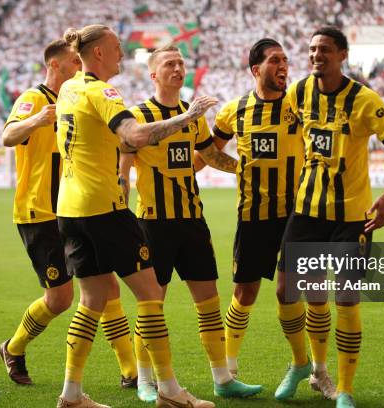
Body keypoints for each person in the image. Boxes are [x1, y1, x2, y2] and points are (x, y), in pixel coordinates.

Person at [55, 25, 218, 408]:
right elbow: (135, 135)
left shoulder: (69, 88)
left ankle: (72, 394)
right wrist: (187, 117)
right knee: (150, 296)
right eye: (116, 49)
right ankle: (169, 391)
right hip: (103, 209)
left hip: (69, 208)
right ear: (97, 54)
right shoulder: (102, 91)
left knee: (91, 298)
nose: (121, 55)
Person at [275, 26, 384, 408]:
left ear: (343, 55)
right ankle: (309, 368)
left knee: (346, 298)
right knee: (290, 292)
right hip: (306, 212)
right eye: (313, 48)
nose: (317, 55)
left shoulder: (365, 100)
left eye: (326, 50)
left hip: (352, 218)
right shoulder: (298, 92)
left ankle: (345, 389)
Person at [120, 44, 262, 403]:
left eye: (181, 62)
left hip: (192, 221)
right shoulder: (139, 116)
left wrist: (242, 166)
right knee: (152, 305)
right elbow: (123, 167)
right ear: (153, 74)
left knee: (209, 304)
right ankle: (146, 380)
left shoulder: (193, 113)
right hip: (154, 223)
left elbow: (208, 154)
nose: (178, 68)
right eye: (170, 63)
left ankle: (222, 379)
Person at [197, 37, 334, 399]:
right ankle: (227, 372)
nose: (284, 66)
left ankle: (316, 370)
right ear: (257, 69)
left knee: (311, 291)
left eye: (286, 60)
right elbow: (209, 152)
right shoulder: (234, 110)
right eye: (275, 60)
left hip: (300, 215)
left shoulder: (299, 104)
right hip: (253, 214)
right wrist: (237, 167)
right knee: (244, 292)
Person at [0, 39, 139, 390]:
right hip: (39, 211)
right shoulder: (35, 98)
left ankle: (131, 370)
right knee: (60, 298)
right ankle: (13, 348)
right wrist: (34, 121)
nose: (80, 67)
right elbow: (7, 135)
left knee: (107, 286)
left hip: (75, 209)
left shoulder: (76, 96)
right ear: (56, 66)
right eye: (74, 63)